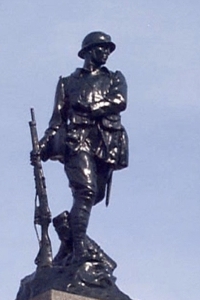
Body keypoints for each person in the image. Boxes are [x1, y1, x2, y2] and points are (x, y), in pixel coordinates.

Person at [34, 31, 129, 263]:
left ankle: (68, 235)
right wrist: (42, 146)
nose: (106, 52)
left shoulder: (115, 78)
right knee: (85, 192)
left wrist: (91, 107)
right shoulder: (68, 83)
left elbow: (119, 101)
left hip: (106, 144)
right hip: (77, 140)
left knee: (93, 196)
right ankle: (79, 252)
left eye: (108, 49)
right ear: (87, 51)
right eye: (101, 48)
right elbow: (57, 120)